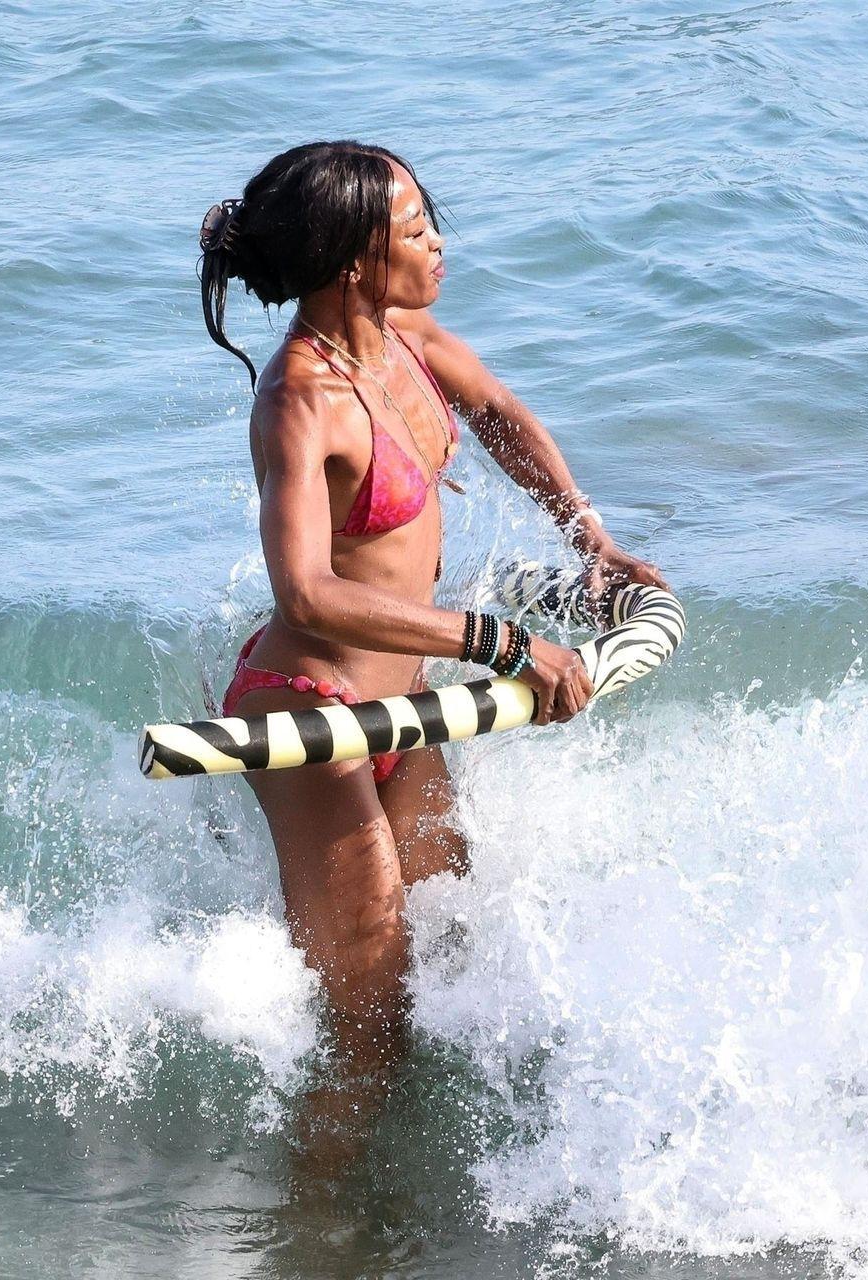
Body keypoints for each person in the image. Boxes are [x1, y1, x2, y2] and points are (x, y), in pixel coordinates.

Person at [196, 141, 666, 1073]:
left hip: (403, 711)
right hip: (314, 714)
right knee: (369, 1039)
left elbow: (497, 412)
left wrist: (591, 541)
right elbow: (307, 593)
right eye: (416, 230)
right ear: (351, 262)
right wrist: (503, 644)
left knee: (452, 980)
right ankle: (321, 1174)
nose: (439, 243)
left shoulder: (404, 336)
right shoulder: (300, 401)